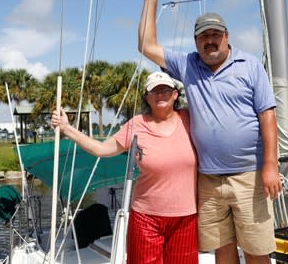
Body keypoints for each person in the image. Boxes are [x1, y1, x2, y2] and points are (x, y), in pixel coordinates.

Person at [138, 0, 281, 264]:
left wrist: (270, 166)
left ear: (227, 37)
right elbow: (146, 46)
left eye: (215, 35)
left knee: (256, 250)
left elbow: (267, 117)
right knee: (222, 249)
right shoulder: (187, 64)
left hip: (249, 176)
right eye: (204, 36)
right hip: (209, 180)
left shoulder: (250, 65)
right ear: (196, 41)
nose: (210, 41)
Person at [51, 71, 198, 263]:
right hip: (146, 218)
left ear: (175, 95)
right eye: (155, 91)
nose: (160, 95)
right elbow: (102, 149)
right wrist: (66, 129)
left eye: (165, 90)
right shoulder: (137, 124)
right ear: (147, 97)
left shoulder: (190, 119)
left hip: (186, 217)